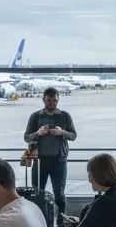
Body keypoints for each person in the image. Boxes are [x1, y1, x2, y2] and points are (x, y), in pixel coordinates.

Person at [23, 88, 77, 216]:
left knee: (59, 194)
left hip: (59, 161)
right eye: (49, 100)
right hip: (39, 161)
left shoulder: (65, 116)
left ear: (58, 100)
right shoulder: (36, 116)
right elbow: (26, 137)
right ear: (43, 100)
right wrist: (38, 133)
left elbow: (73, 135)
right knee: (37, 193)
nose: (52, 103)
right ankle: (38, 219)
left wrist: (61, 132)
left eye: (55, 100)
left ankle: (61, 222)